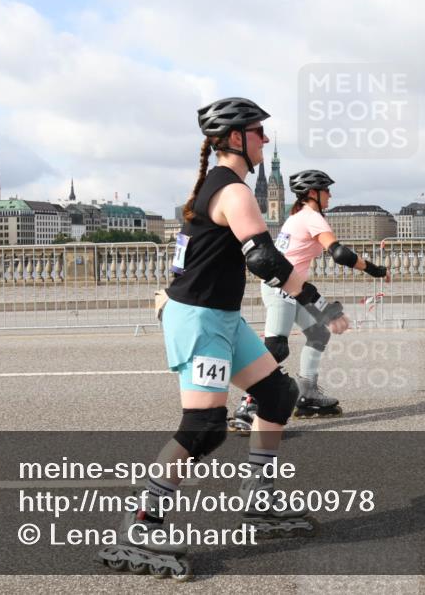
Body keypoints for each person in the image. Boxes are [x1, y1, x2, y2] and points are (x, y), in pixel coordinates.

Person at [97, 98, 349, 578]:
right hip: (202, 323)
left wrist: (170, 295)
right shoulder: (233, 190)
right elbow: (265, 261)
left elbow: (191, 257)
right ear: (236, 138)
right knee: (204, 427)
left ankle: (259, 498)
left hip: (219, 318)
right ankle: (141, 521)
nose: (265, 139)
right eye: (259, 132)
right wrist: (319, 305)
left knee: (278, 394)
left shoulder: (217, 185)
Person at [229, 169, 390, 432]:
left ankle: (307, 394)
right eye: (326, 190)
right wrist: (375, 270)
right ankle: (248, 403)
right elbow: (339, 253)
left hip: (291, 288)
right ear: (313, 193)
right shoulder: (311, 217)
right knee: (276, 347)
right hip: (282, 288)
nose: (330, 195)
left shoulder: (297, 216)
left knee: (318, 334)